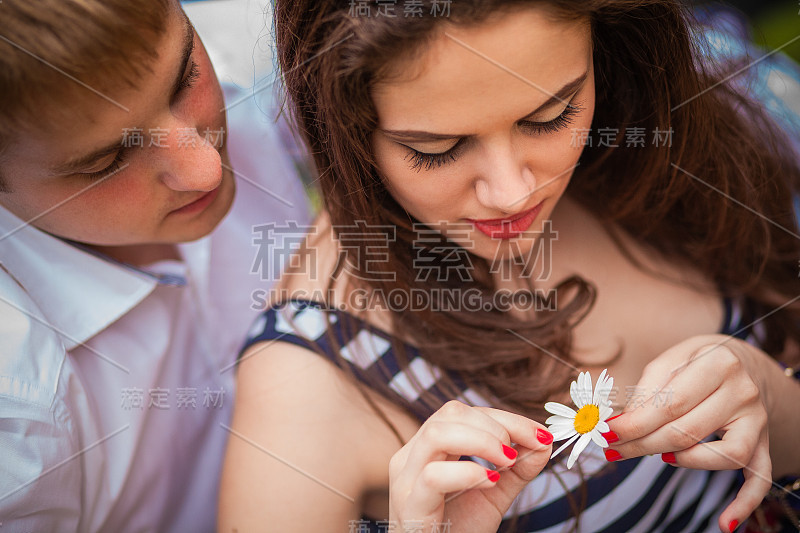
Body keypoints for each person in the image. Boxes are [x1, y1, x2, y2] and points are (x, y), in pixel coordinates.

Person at [218, 0, 800, 531]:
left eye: (551, 115)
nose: (512, 193)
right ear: (344, 130)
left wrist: (776, 404)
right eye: (436, 150)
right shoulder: (303, 393)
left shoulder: (666, 133)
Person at [0, 0, 310, 531]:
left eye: (186, 78)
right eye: (105, 162)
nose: (206, 168)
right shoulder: (20, 419)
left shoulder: (255, 62)